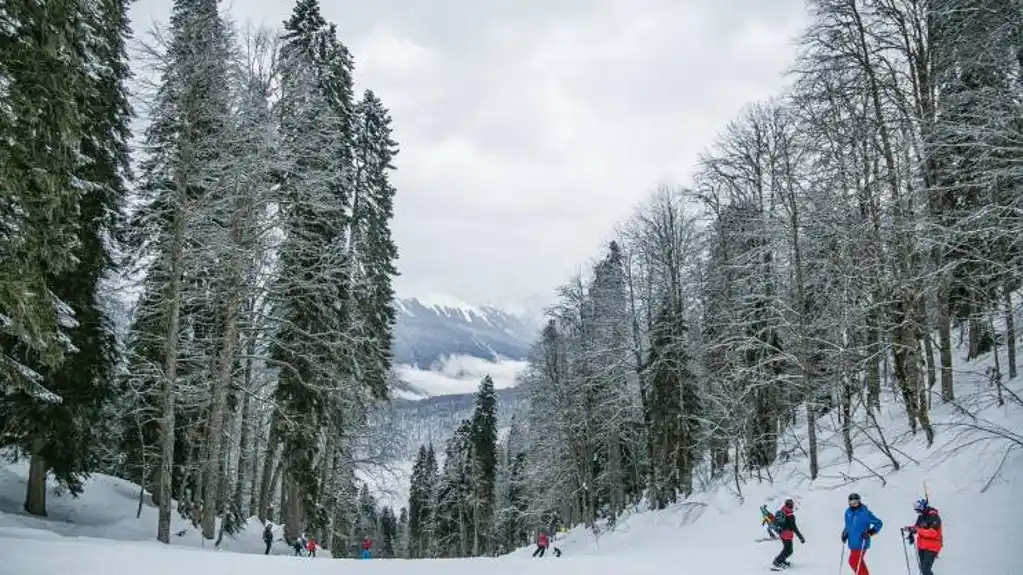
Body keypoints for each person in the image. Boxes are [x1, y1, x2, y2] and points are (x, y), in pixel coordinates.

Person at [841, 493, 883, 575]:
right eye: (852, 502)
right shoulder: (848, 512)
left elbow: (879, 523)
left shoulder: (865, 513)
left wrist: (870, 532)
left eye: (856, 502)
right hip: (852, 542)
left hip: (861, 542)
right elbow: (848, 525)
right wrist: (844, 534)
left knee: (853, 561)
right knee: (857, 562)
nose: (854, 504)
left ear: (859, 501)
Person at [903, 499, 942, 575]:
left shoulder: (934, 517)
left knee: (925, 569)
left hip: (932, 546)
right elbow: (917, 527)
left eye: (918, 510)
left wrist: (918, 530)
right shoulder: (921, 517)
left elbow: (933, 533)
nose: (918, 512)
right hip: (922, 546)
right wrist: (910, 530)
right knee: (923, 569)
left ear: (923, 508)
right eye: (917, 511)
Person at [771, 499, 805, 570]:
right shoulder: (790, 516)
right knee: (788, 550)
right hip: (787, 535)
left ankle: (781, 560)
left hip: (781, 533)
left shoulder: (782, 511)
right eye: (792, 505)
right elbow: (794, 528)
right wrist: (801, 537)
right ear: (791, 505)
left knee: (787, 549)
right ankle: (777, 562)